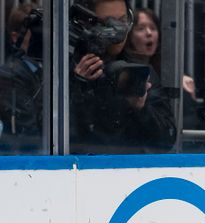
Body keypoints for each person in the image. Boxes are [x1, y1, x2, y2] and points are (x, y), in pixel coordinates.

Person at [69, 0, 176, 154]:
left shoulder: (141, 71)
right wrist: (78, 87)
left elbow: (166, 140)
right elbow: (46, 137)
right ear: (85, 24)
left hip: (131, 172)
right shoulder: (63, 69)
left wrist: (141, 108)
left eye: (122, 20)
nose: (118, 30)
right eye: (107, 22)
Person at [0, 3, 44, 153]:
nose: (43, 40)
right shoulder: (9, 76)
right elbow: (28, 135)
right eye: (36, 34)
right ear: (15, 37)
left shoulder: (48, 71)